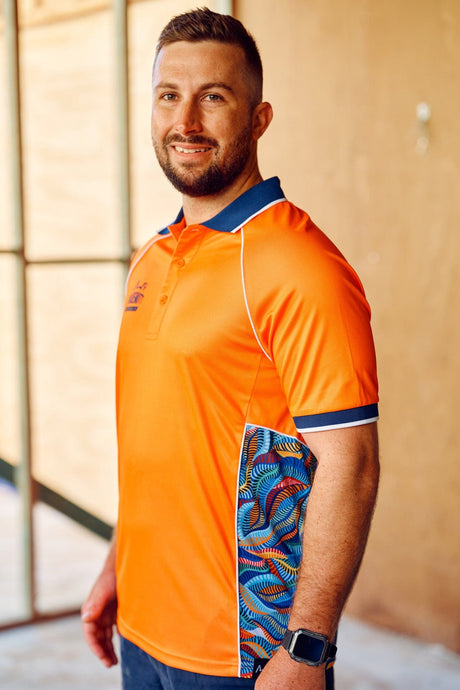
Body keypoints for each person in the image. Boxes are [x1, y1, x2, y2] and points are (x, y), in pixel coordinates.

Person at [81, 8, 379, 690]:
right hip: (141, 633)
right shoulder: (151, 256)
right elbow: (162, 441)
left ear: (259, 118)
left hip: (242, 656)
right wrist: (115, 564)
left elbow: (352, 464)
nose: (185, 121)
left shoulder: (301, 266)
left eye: (212, 97)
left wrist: (307, 649)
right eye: (169, 95)